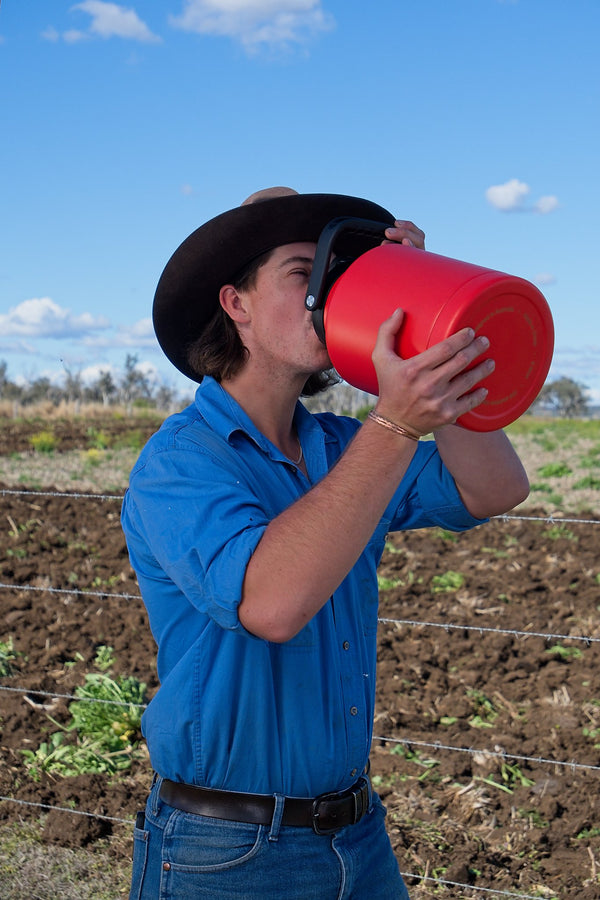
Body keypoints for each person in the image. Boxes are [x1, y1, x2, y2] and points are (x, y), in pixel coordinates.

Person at [121, 186, 529, 900]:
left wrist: (432, 321)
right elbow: (272, 604)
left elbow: (492, 488)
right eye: (301, 272)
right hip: (225, 855)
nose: (325, 295)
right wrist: (396, 425)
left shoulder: (343, 446)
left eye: (336, 276)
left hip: (357, 837)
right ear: (236, 304)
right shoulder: (180, 461)